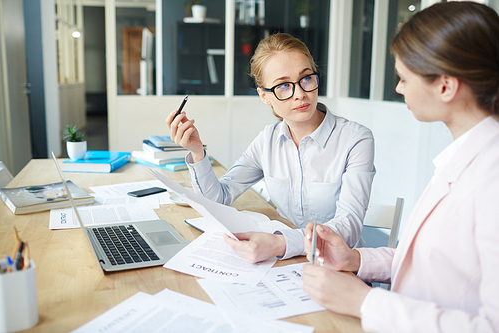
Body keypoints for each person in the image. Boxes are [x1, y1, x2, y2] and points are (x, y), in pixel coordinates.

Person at [302, 2, 499, 332]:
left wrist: (364, 303)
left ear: (446, 86)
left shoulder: (492, 176)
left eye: (404, 78)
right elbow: (429, 263)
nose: (398, 88)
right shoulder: (465, 155)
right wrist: (354, 260)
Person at [166, 33, 375, 263]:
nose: (300, 94)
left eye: (306, 78)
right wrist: (197, 151)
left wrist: (280, 243)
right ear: (264, 96)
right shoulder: (268, 140)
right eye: (284, 86)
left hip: (336, 264)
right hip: (286, 262)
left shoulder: (356, 139)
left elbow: (350, 224)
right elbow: (218, 198)